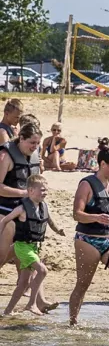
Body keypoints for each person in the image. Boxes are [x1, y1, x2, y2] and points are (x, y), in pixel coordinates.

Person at [68, 138, 109, 328]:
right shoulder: (86, 184)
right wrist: (96, 217)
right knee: (83, 284)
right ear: (103, 164)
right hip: (87, 240)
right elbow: (77, 214)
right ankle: (73, 323)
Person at [0, 174, 65, 316]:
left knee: (23, 283)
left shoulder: (43, 206)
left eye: (46, 190)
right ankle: (32, 304)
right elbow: (5, 220)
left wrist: (58, 230)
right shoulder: (21, 208)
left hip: (34, 247)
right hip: (22, 247)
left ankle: (7, 311)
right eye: (42, 190)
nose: (45, 192)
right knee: (42, 271)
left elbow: (50, 221)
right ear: (30, 191)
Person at [0, 121, 42, 275]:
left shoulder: (34, 156)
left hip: (27, 213)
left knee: (26, 260)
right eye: (32, 142)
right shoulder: (5, 155)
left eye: (38, 143)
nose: (35, 147)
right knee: (1, 255)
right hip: (5, 212)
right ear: (21, 138)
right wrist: (24, 193)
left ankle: (24, 284)